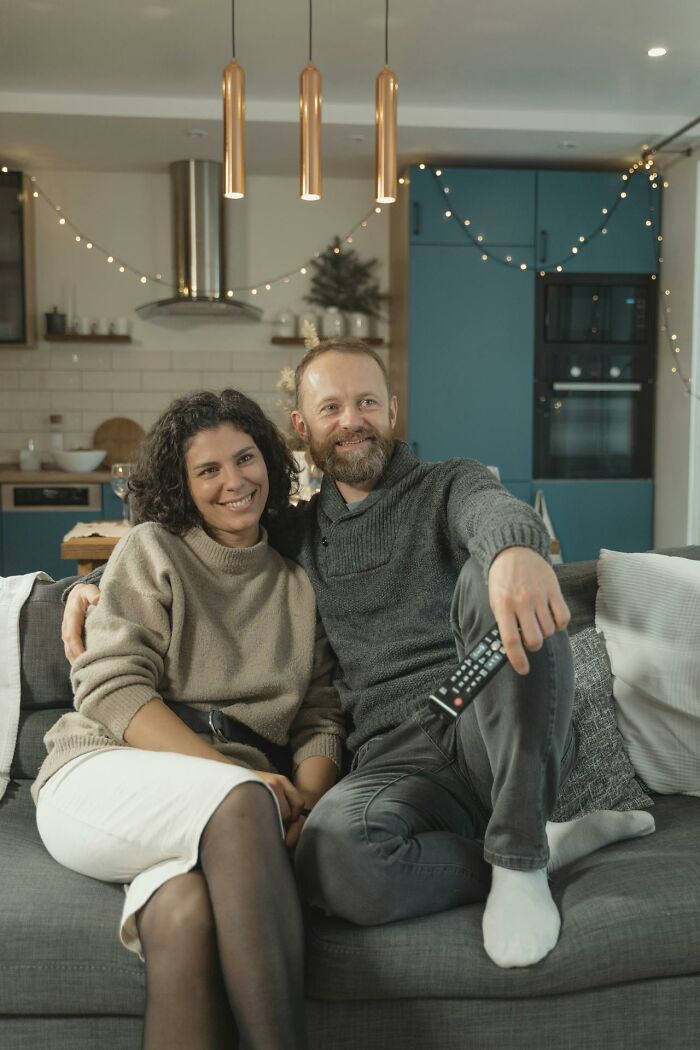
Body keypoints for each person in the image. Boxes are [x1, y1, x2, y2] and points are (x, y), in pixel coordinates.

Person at [63, 341, 654, 972]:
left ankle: (519, 856)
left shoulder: (449, 483)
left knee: (493, 582)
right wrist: (82, 587)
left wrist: (515, 550)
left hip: (483, 715)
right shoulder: (296, 532)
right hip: (396, 756)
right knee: (329, 860)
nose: (352, 420)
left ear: (392, 410)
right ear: (302, 428)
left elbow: (492, 510)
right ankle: (541, 843)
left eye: (367, 401)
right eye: (332, 407)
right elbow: (207, 541)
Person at [38, 389, 345, 1050]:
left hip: (228, 812)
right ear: (183, 485)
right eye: (208, 470)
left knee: (184, 916)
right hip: (106, 772)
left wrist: (308, 806)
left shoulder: (296, 584)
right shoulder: (153, 549)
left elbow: (320, 715)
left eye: (245, 459)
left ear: (270, 462)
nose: (233, 481)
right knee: (239, 801)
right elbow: (111, 690)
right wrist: (246, 787)